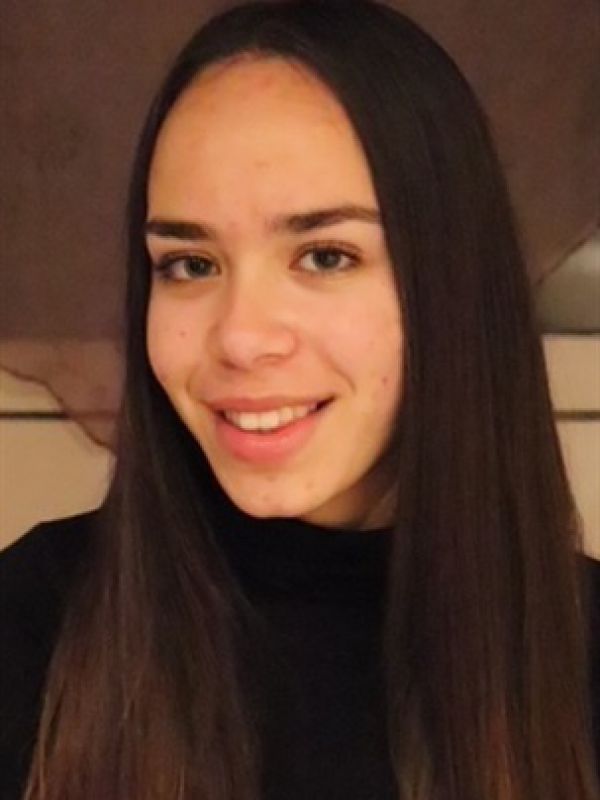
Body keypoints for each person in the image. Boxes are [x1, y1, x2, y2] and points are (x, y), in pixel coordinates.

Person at [1, 1, 598, 798]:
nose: (241, 339)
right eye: (190, 265)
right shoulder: (34, 626)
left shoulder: (580, 661)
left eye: (325, 256)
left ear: (450, 284)